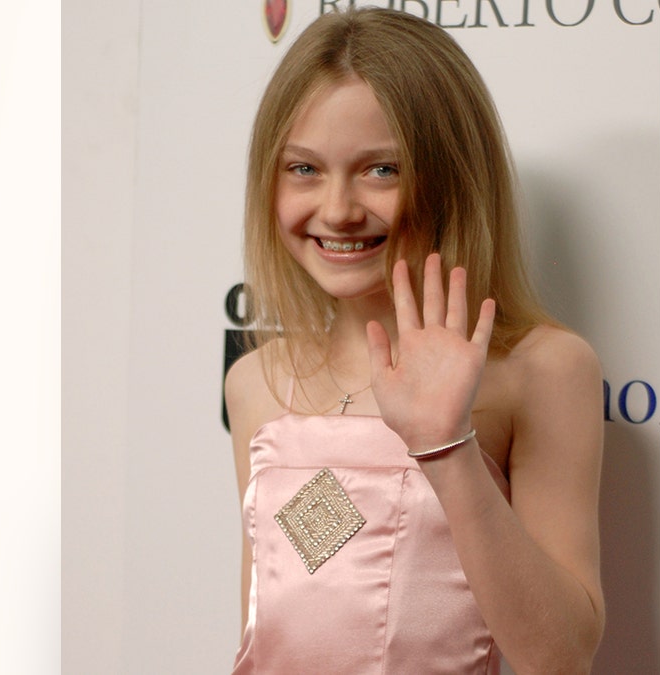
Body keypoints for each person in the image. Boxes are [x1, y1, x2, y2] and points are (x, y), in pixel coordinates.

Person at [225, 8, 604, 674]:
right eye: (305, 169)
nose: (338, 208)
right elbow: (263, 637)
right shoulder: (254, 380)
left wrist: (448, 447)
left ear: (451, 175)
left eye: (381, 170)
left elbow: (559, 656)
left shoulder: (542, 369)